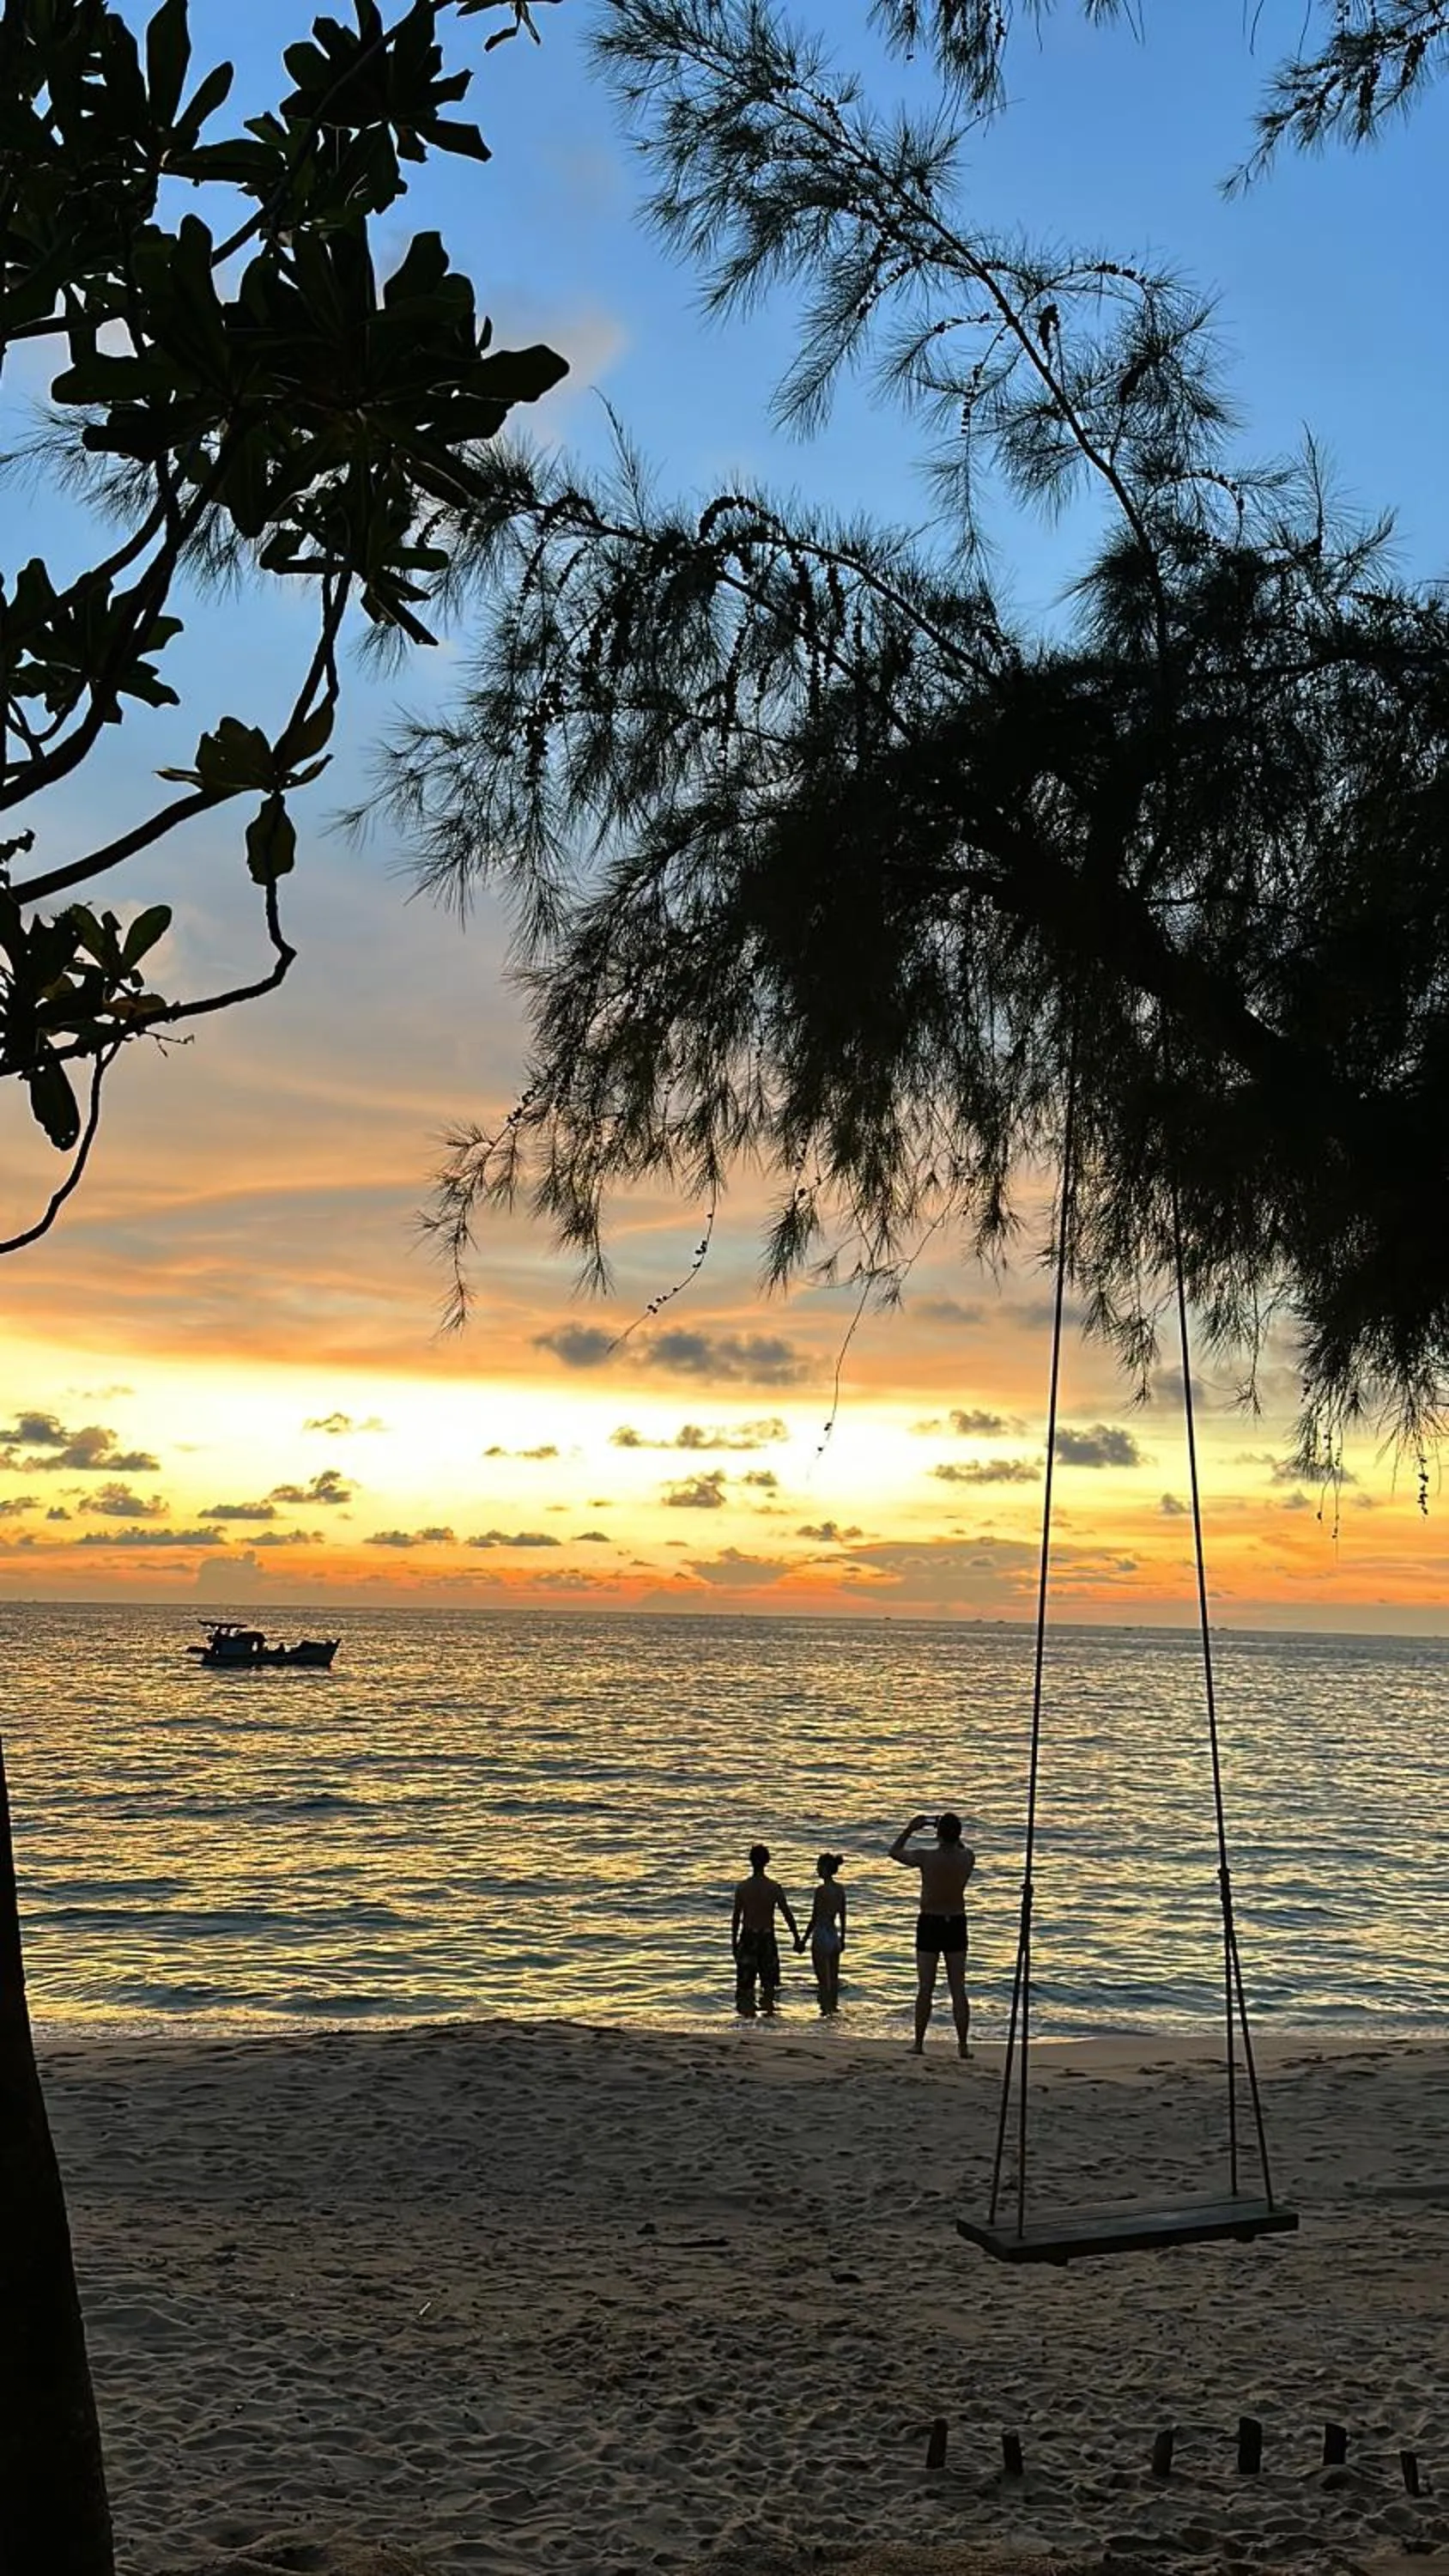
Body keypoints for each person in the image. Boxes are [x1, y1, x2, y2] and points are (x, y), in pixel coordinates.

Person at [887, 1811, 975, 2057]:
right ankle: (963, 2046)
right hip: (956, 1921)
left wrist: (910, 1829)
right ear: (958, 1834)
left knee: (926, 1986)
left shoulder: (926, 1857)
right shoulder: (967, 1857)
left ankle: (918, 2043)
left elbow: (894, 1852)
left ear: (937, 1834)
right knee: (958, 1987)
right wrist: (946, 1830)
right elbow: (960, 1846)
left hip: (930, 1922)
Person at [731, 1844, 802, 2017]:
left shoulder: (743, 1887)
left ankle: (746, 2018)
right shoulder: (774, 1888)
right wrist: (796, 1937)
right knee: (769, 1985)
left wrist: (734, 1942)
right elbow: (787, 1914)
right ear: (767, 1862)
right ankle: (769, 2019)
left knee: (745, 1986)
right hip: (767, 1938)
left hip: (748, 1937)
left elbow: (736, 1918)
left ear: (750, 1861)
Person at [803, 1851, 848, 2014]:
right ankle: (833, 2009)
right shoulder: (840, 1890)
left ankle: (825, 2011)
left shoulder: (820, 1891)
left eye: (819, 1866)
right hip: (833, 1936)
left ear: (825, 1869)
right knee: (834, 1980)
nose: (817, 1869)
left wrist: (804, 1940)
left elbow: (814, 1918)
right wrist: (842, 1937)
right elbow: (843, 1915)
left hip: (821, 1935)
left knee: (823, 1980)